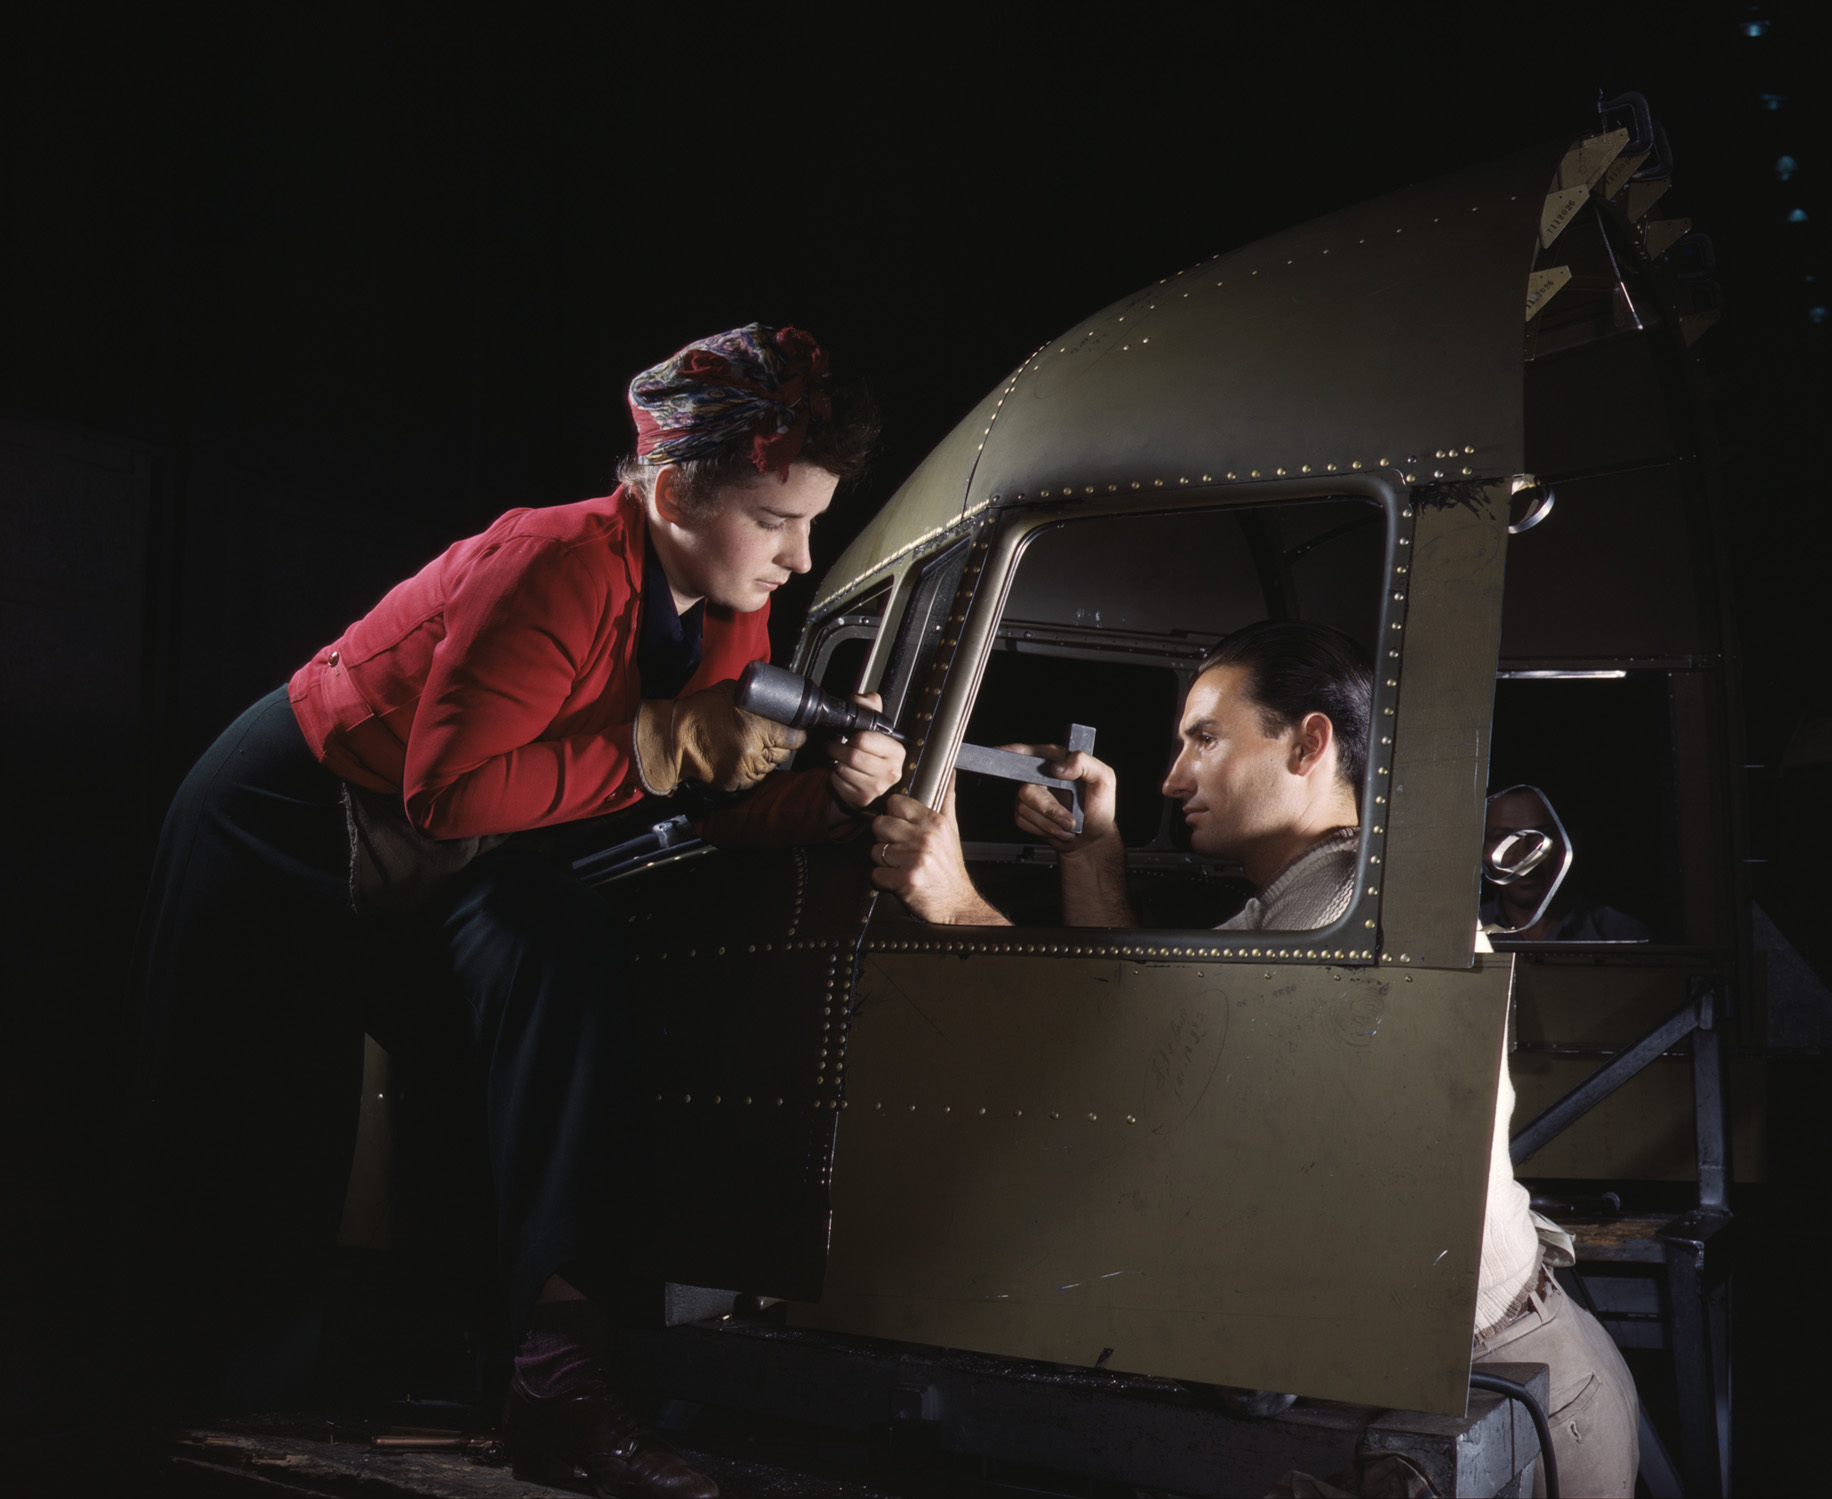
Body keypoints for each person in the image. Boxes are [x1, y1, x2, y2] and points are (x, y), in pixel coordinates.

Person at [128, 325, 905, 1498]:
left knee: (562, 956)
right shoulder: (555, 562)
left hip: (448, 846)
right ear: (676, 487)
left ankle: (555, 1383)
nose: (801, 557)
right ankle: (185, 1423)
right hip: (284, 825)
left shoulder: (726, 600)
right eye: (779, 520)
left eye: (814, 520)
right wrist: (665, 743)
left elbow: (711, 794)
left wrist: (827, 800)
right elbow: (449, 790)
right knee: (262, 1145)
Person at [869, 621, 1639, 1498]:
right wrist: (1093, 852)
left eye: (1204, 739)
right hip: (1456, 1373)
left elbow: (1153, 1078)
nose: (1171, 778)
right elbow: (1149, 1013)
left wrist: (957, 905)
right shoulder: (1301, 900)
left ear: (1309, 742)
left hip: (1500, 1390)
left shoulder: (1356, 910)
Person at [1480, 784, 1653, 942]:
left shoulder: (1623, 934)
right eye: (1504, 839)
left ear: (1571, 843)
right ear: (1481, 849)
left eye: (1539, 838)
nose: (1524, 858)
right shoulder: (1461, 933)